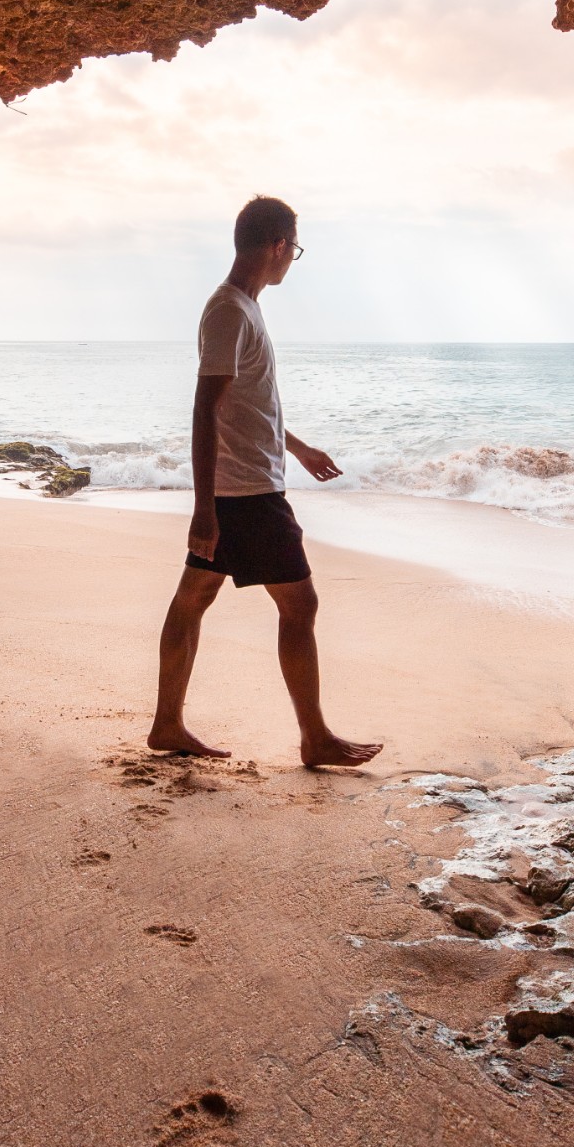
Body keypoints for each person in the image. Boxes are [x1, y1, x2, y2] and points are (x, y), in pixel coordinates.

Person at [148, 196, 382, 769]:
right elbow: (205, 410)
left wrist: (296, 447)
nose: (292, 262)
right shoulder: (229, 310)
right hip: (246, 495)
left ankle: (167, 724)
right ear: (277, 245)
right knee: (300, 606)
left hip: (244, 487)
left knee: (192, 601)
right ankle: (315, 737)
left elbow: (248, 406)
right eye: (293, 250)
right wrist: (205, 509)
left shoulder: (245, 308)